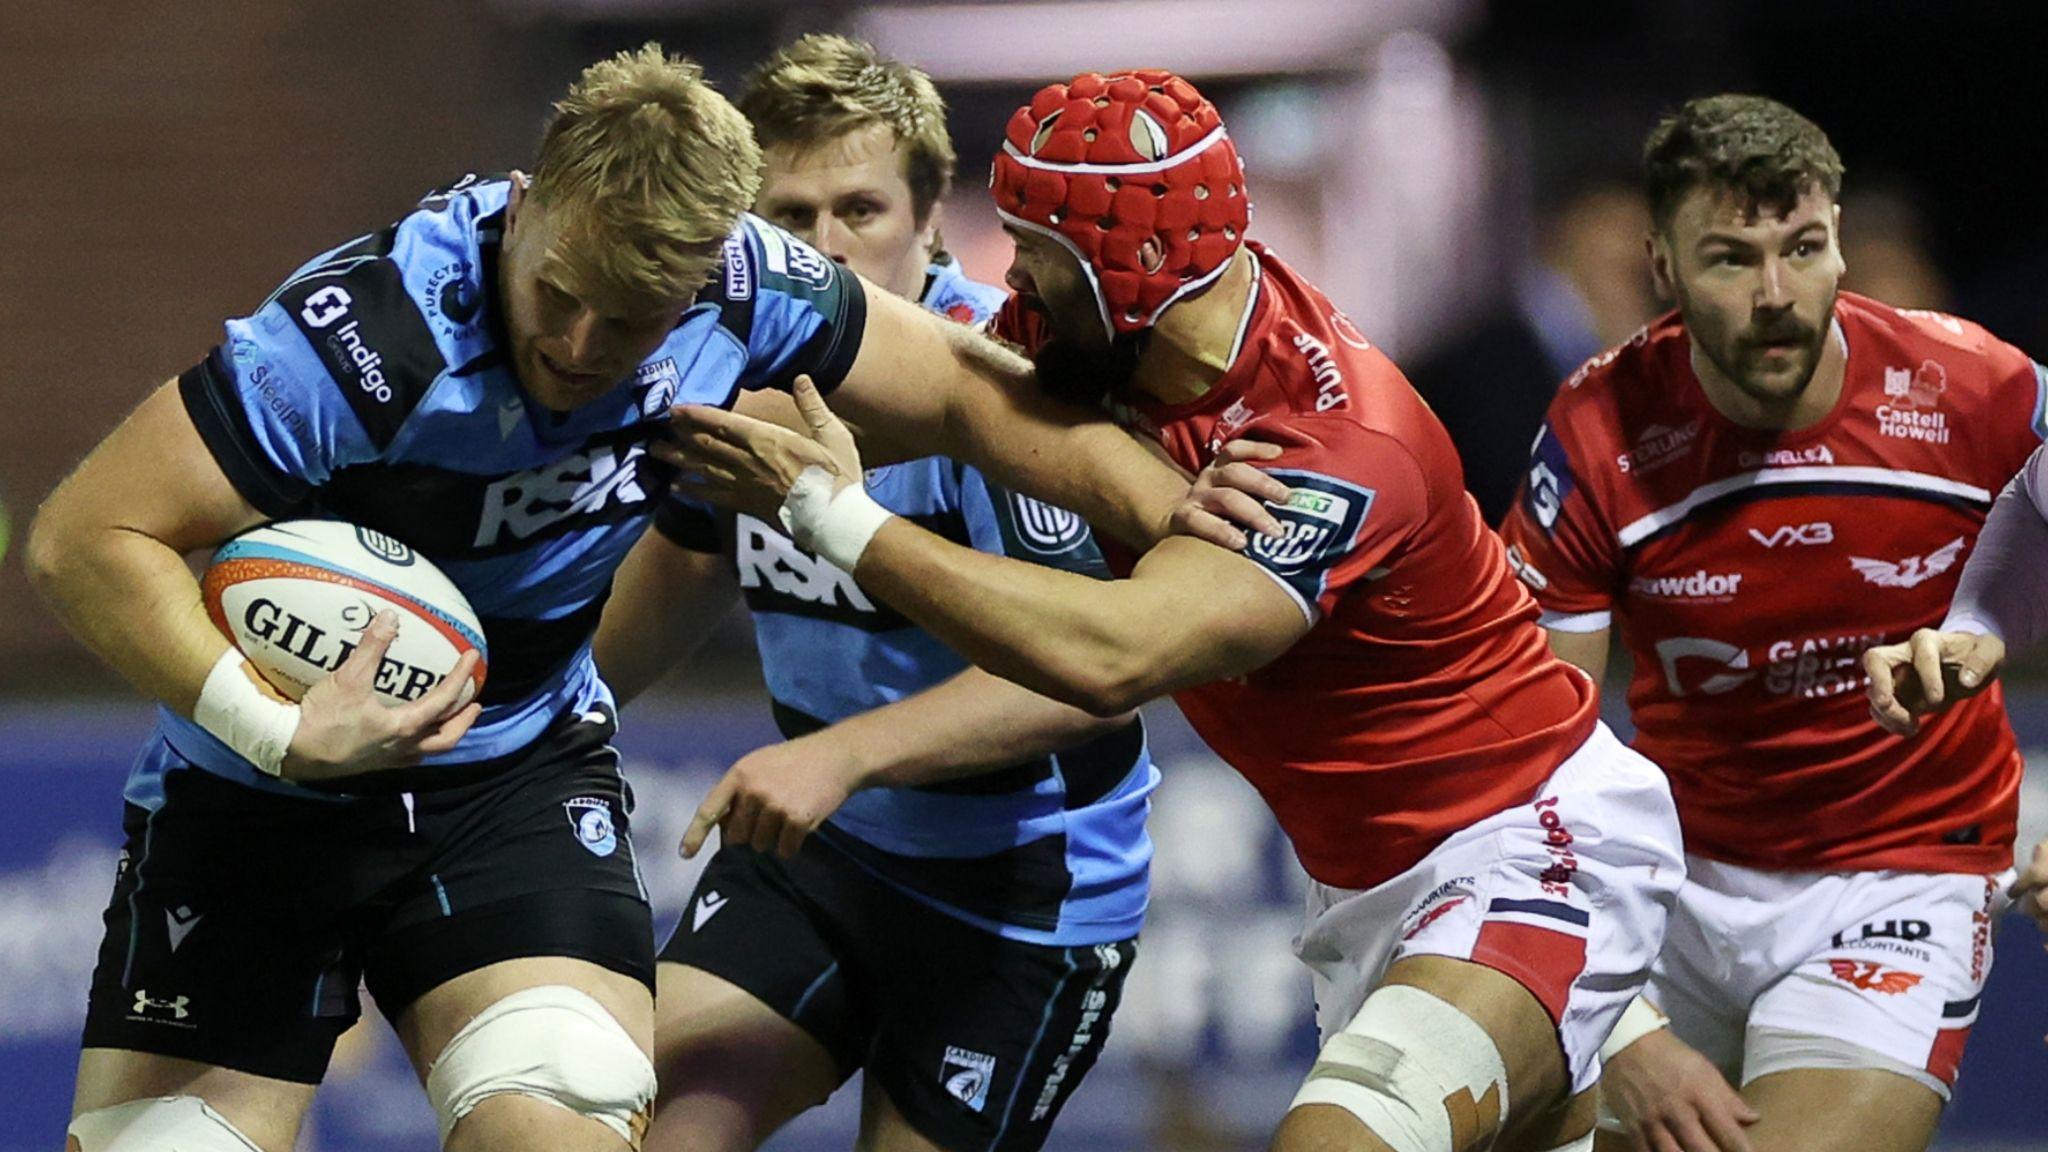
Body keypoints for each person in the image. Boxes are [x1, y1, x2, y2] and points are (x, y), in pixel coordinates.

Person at [24, 45, 1230, 1152]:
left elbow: (975, 397)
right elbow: (85, 538)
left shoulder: (751, 292)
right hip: (259, 791)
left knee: (568, 1130)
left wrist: (1189, 514)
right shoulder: (365, 338)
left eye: (634, 320)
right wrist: (277, 729)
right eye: (561, 293)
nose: (582, 345)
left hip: (511, 778)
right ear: (525, 202)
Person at [668, 68, 1685, 1152]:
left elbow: (1116, 655)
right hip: (1366, 883)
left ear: (1135, 264)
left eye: (1040, 255)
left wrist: (837, 519)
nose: (1016, 278)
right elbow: (931, 378)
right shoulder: (1112, 339)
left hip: (1521, 841)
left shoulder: (1332, 446)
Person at [592, 36, 1152, 1152]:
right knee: (630, 1129)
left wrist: (841, 755)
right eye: (790, 217)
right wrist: (498, 725)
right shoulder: (722, 367)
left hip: (1021, 889)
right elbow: (684, 569)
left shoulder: (999, 384)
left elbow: (1090, 676)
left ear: (931, 222)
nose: (826, 247)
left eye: (860, 210)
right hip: (823, 856)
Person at [1495, 94, 2044, 1152]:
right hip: (1669, 886)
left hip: (1900, 874)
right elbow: (1531, 752)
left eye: (1802, 248)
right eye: (1730, 259)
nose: (1778, 296)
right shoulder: (1598, 430)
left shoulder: (1973, 390)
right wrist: (1624, 1028)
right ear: (1661, 267)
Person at [1407, 176, 1656, 524]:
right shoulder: (1472, 371)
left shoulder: (1646, 359)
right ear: (1568, 229)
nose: (1638, 256)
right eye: (1622, 230)